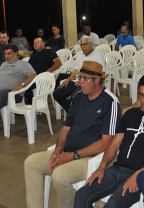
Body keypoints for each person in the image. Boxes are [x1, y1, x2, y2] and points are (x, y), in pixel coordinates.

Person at [24, 61, 121, 208]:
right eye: (79, 78)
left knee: (60, 176)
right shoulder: (78, 97)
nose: (79, 82)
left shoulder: (110, 102)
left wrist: (72, 155)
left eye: (84, 79)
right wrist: (58, 151)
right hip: (68, 152)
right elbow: (65, 128)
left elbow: (106, 142)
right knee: (31, 163)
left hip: (92, 158)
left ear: (97, 80)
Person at [73, 74, 144, 208]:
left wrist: (139, 176)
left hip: (139, 174)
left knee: (112, 205)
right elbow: (115, 144)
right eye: (141, 95)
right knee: (81, 195)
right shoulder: (131, 114)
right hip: (116, 170)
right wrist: (102, 167)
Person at [54, 36, 106, 112]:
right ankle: (72, 112)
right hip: (77, 82)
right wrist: (67, 80)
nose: (83, 47)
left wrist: (84, 82)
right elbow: (75, 71)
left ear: (91, 44)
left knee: (75, 97)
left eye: (85, 44)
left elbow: (102, 75)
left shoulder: (98, 56)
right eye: (81, 45)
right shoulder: (80, 55)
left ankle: (75, 114)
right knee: (57, 93)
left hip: (90, 84)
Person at [20, 37, 63, 104]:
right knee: (15, 83)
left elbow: (58, 63)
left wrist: (47, 72)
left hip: (42, 78)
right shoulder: (34, 55)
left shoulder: (50, 52)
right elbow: (28, 67)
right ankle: (21, 104)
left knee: (26, 86)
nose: (35, 44)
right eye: (34, 43)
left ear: (43, 44)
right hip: (31, 76)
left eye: (37, 42)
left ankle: (30, 106)